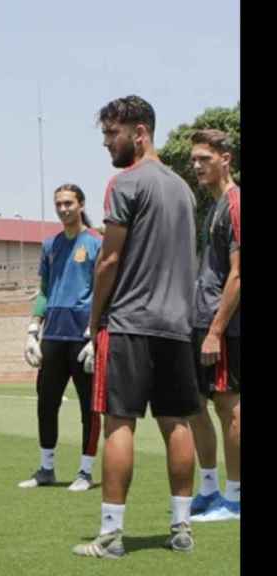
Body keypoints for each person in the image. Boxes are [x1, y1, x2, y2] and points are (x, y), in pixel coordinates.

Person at [72, 95, 200, 559]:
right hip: (177, 327)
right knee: (177, 423)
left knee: (119, 423)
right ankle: (181, 527)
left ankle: (110, 535)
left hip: (129, 323)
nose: (108, 144)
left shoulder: (123, 183)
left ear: (139, 133)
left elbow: (109, 259)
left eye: (113, 134)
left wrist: (94, 319)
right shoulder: (184, 189)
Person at [19, 184, 101, 492]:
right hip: (52, 334)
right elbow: (44, 289)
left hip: (83, 336)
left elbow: (105, 291)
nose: (63, 208)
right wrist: (32, 330)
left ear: (81, 204)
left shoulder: (96, 242)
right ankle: (46, 469)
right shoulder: (50, 244)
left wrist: (97, 334)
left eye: (69, 203)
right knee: (46, 403)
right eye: (59, 204)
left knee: (88, 408)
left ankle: (86, 471)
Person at [185, 129, 240, 523]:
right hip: (200, 320)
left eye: (204, 158)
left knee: (229, 406)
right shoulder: (214, 207)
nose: (196, 165)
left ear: (226, 159)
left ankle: (235, 498)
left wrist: (216, 331)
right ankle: (209, 491)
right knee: (195, 406)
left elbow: (238, 275)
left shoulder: (236, 204)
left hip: (225, 327)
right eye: (194, 159)